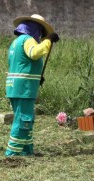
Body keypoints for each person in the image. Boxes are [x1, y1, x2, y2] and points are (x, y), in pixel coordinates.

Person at [5, 14, 59, 157]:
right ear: (35, 28)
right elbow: (34, 53)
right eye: (40, 31)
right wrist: (48, 41)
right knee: (23, 120)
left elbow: (21, 64)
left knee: (26, 118)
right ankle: (13, 153)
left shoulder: (16, 42)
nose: (40, 35)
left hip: (15, 87)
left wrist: (37, 78)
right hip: (24, 88)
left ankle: (26, 150)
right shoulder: (28, 40)